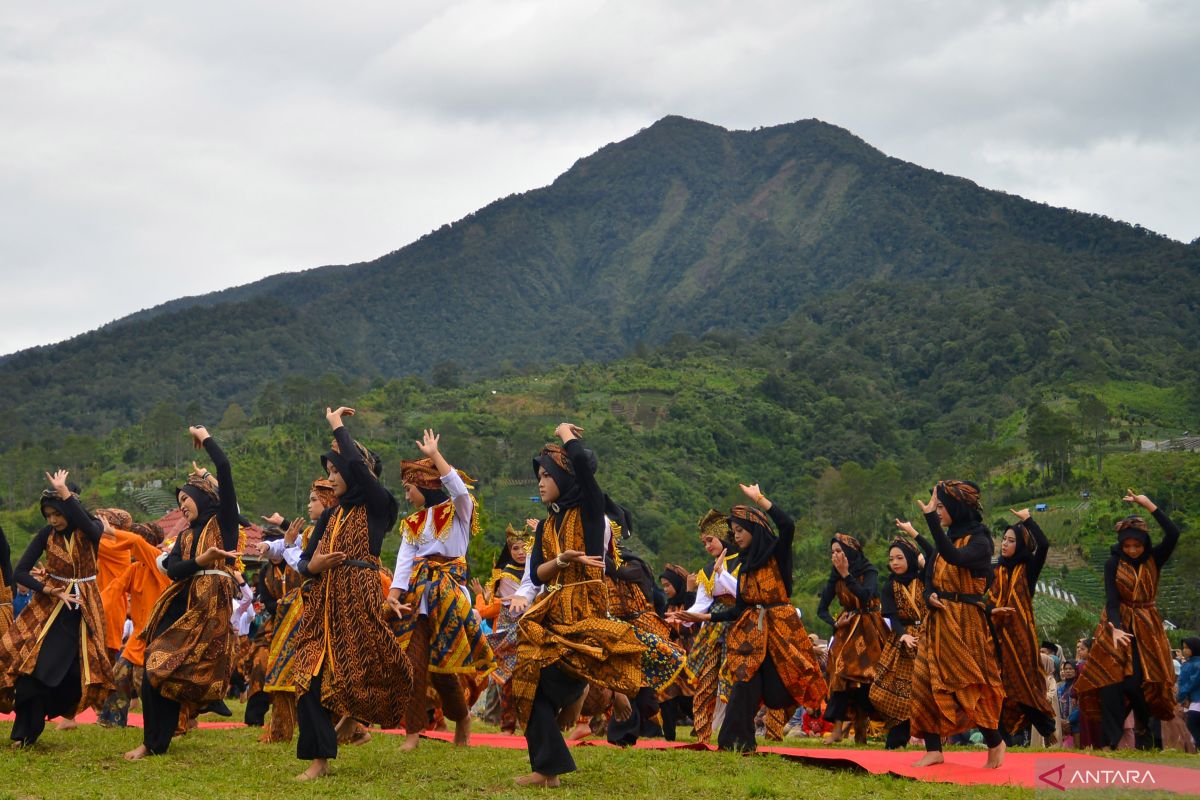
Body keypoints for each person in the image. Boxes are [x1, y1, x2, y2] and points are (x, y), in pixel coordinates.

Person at [511, 423, 646, 788]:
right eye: (538, 476)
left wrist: (566, 437)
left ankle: (594, 692)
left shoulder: (588, 513)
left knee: (553, 675)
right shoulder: (545, 526)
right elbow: (538, 574)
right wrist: (562, 561)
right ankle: (548, 769)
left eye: (546, 475)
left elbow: (586, 474)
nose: (539, 482)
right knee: (526, 683)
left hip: (585, 607)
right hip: (553, 609)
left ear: (563, 477)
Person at [289, 407, 413, 780]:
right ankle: (320, 761)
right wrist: (316, 566)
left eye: (336, 470)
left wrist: (338, 427)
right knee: (307, 677)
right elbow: (303, 564)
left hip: (358, 601)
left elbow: (360, 470)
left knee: (355, 673)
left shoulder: (378, 506)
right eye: (329, 471)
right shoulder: (330, 515)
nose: (331, 478)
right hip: (324, 603)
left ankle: (356, 718)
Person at [675, 484, 827, 753]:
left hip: (781, 629)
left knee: (781, 688)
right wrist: (703, 615)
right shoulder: (745, 567)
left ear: (755, 529)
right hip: (750, 633)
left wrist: (760, 499)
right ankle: (737, 742)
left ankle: (776, 727)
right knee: (743, 682)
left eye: (740, 531)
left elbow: (787, 525)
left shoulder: (776, 556)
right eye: (734, 532)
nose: (737, 537)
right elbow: (737, 609)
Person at [126, 427, 241, 759]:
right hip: (181, 600)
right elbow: (173, 569)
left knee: (183, 666)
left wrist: (205, 438)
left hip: (210, 606)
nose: (183, 506)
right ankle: (154, 741)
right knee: (154, 664)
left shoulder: (225, 522)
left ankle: (206, 699)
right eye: (179, 502)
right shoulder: (186, 536)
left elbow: (225, 469)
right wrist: (199, 561)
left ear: (203, 497)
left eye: (186, 500)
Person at [390, 429, 494, 750]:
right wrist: (393, 595)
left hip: (449, 594)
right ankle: (412, 733)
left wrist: (435, 455)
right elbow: (404, 562)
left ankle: (462, 718)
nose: (407, 496)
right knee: (413, 662)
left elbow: (459, 490)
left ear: (424, 485)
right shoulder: (412, 524)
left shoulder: (459, 510)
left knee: (445, 668)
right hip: (417, 597)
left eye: (409, 489)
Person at [0, 471, 113, 747]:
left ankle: (58, 712)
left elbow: (92, 528)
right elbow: (21, 572)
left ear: (68, 507)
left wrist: (64, 492)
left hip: (83, 612)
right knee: (31, 668)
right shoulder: (46, 535)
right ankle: (26, 731)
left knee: (75, 673)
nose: (53, 519)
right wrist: (50, 589)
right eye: (48, 514)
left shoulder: (91, 529)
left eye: (57, 513)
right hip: (49, 612)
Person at [908, 480, 1006, 769]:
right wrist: (929, 596)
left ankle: (995, 741)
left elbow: (956, 557)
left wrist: (929, 520)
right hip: (937, 623)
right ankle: (934, 748)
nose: (937, 512)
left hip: (966, 623)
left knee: (968, 685)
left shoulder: (980, 540)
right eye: (935, 507)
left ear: (957, 508)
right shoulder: (946, 538)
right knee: (924, 683)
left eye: (940, 507)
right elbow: (929, 578)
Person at [1076, 491, 1180, 751]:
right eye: (1127, 546)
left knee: (1139, 684)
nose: (1132, 550)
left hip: (1147, 625)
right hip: (1115, 624)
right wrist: (1115, 630)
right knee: (1110, 682)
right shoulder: (1113, 563)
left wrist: (1148, 505)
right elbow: (1111, 600)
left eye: (1137, 545)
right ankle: (1109, 740)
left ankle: (1145, 727)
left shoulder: (1155, 559)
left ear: (1145, 544)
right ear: (1121, 545)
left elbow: (1173, 534)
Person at [990, 507, 1057, 746]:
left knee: (1024, 687)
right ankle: (1003, 739)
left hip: (1021, 641)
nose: (1005, 544)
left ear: (1021, 544)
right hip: (996, 640)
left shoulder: (1027, 569)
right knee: (1000, 689)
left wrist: (1028, 520)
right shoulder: (995, 571)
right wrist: (992, 611)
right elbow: (986, 602)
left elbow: (1044, 545)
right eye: (1004, 539)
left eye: (1011, 540)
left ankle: (1047, 730)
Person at [671, 510, 739, 745]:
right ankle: (701, 733)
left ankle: (731, 733)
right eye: (704, 542)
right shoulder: (706, 570)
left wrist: (723, 573)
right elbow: (701, 605)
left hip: (740, 625)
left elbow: (745, 593)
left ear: (723, 536)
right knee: (706, 680)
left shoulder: (746, 561)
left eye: (710, 540)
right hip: (712, 627)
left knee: (733, 681)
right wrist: (683, 617)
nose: (707, 546)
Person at [817, 533, 886, 744]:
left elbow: (866, 597)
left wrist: (847, 574)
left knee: (866, 678)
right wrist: (835, 623)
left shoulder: (869, 570)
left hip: (869, 629)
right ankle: (837, 728)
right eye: (833, 552)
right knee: (839, 672)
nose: (835, 556)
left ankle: (863, 729)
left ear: (850, 552)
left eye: (839, 551)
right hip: (846, 630)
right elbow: (822, 609)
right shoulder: (834, 575)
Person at [869, 523, 933, 749]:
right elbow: (892, 617)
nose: (894, 562)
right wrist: (904, 635)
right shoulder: (889, 586)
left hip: (928, 637)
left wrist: (914, 534)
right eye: (891, 558)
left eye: (900, 558)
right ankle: (896, 740)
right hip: (902, 640)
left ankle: (926, 742)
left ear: (911, 558)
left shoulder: (924, 578)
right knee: (889, 691)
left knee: (926, 691)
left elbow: (934, 553)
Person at [1178, 637, 1200, 751]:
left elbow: (1192, 682)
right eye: (1184, 647)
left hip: (1196, 700)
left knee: (1192, 724)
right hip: (1191, 700)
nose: (1184, 650)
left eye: (1187, 647)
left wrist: (1180, 695)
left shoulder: (1196, 664)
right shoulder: (1188, 663)